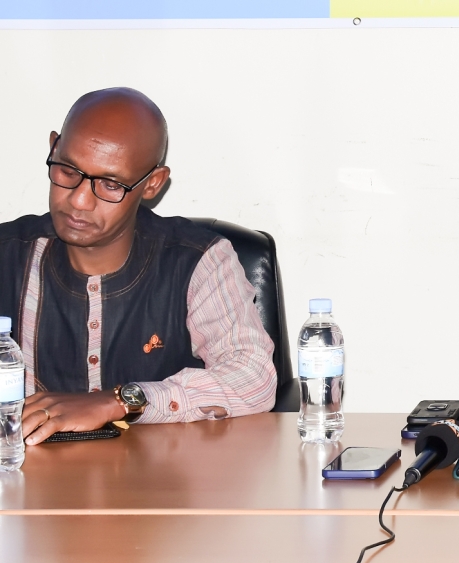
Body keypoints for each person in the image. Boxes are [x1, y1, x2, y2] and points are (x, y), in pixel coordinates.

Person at [0, 87, 277, 445]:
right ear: (53, 148)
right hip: (27, 486)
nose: (79, 200)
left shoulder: (196, 259)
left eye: (110, 184)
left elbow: (254, 378)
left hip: (160, 488)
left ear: (153, 183)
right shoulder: (7, 254)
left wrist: (122, 401)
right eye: (68, 170)